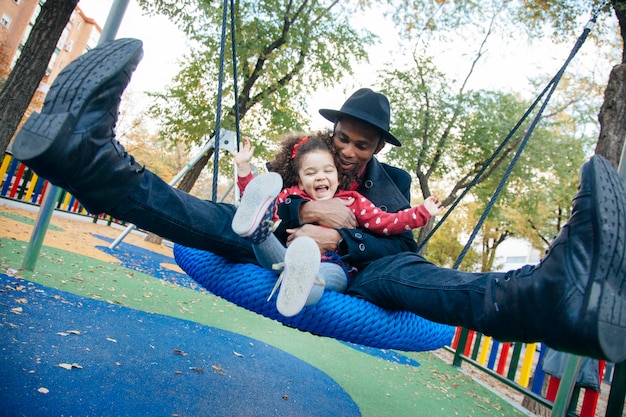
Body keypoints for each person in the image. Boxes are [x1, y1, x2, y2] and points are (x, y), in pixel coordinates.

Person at [11, 38, 626, 363]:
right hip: (279, 242)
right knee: (222, 221)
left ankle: (550, 297)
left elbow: (401, 239)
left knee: (420, 279)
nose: (350, 153)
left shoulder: (394, 182)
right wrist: (300, 212)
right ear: (334, 135)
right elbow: (268, 195)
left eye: (362, 145)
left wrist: (345, 235)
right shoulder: (310, 162)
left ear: (379, 145)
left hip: (369, 270)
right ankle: (90, 162)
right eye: (344, 139)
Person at [230, 133, 443, 316]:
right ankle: (258, 232)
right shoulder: (290, 196)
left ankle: (304, 283)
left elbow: (386, 222)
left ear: (338, 176)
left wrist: (421, 212)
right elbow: (261, 203)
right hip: (287, 257)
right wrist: (244, 169)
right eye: (311, 173)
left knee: (326, 277)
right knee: (264, 225)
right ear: (300, 181)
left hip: (332, 264)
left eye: (327, 171)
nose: (320, 177)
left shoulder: (352, 201)